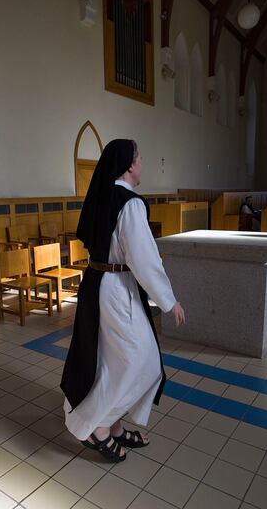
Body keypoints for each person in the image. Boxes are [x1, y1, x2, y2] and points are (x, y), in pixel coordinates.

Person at [61, 139, 186, 463]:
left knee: (109, 360)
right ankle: (97, 425)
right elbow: (144, 259)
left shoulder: (105, 195)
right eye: (140, 157)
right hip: (115, 287)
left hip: (98, 284)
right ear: (130, 165)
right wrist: (169, 301)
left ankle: (113, 426)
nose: (142, 163)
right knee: (140, 361)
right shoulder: (129, 203)